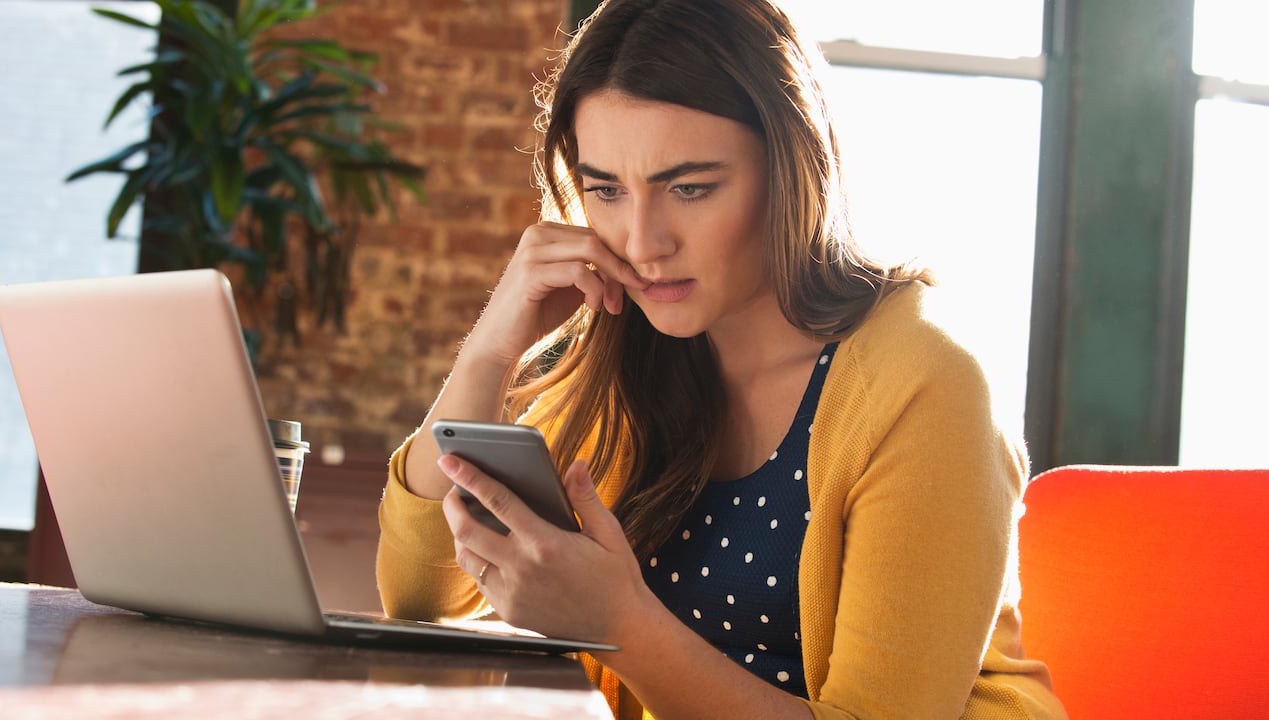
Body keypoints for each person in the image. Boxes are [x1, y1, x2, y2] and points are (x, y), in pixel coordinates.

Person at [376, 0, 1067, 718]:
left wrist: (619, 624)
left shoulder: (927, 382)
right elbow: (422, 599)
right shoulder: (640, 347)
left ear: (790, 169)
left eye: (690, 189)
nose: (642, 241)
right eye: (605, 190)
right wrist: (491, 348)